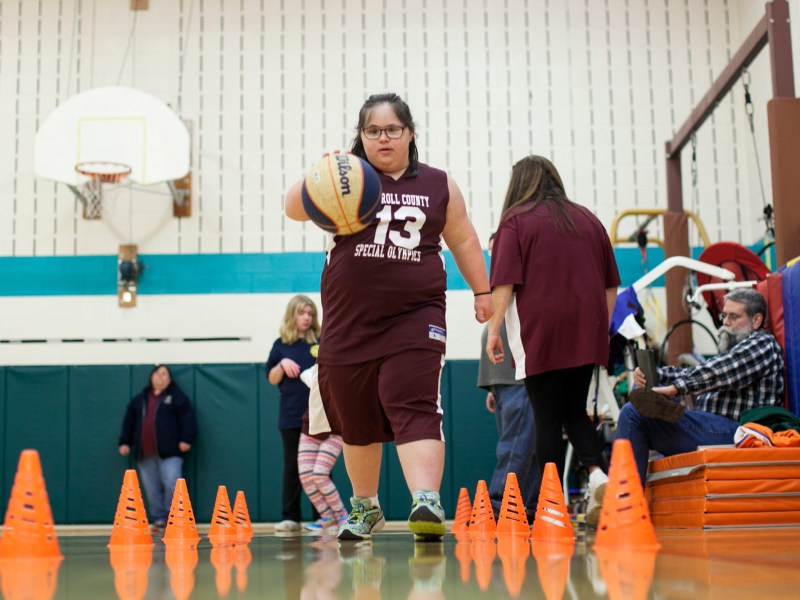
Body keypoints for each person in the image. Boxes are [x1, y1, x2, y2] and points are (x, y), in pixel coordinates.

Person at [285, 92, 492, 541]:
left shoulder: (438, 184)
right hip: (346, 321)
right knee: (355, 415)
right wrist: (317, 173)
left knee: (412, 398)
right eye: (373, 130)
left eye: (392, 129)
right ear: (361, 136)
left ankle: (426, 501)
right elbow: (292, 208)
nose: (383, 138)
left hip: (414, 315)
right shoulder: (346, 179)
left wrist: (483, 290)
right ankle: (365, 507)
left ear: (410, 133)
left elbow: (464, 238)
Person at [486, 155, 619, 526]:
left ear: (519, 184)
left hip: (540, 328)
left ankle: (551, 505)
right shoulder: (589, 218)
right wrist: (599, 329)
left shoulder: (515, 221)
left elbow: (505, 284)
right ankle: (598, 476)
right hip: (587, 328)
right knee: (575, 411)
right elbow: (611, 284)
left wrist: (494, 328)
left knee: (545, 417)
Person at [617, 288, 785, 486]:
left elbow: (720, 371)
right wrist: (656, 375)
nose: (725, 322)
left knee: (633, 414)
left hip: (740, 432)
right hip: (715, 425)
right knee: (636, 414)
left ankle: (624, 501)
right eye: (724, 315)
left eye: (734, 316)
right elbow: (704, 369)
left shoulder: (762, 343)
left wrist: (675, 388)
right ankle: (627, 494)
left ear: (756, 320)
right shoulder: (734, 348)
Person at [477, 232, 540, 520]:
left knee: (515, 445)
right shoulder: (497, 286)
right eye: (492, 251)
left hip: (520, 377)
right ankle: (525, 506)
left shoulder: (524, 283)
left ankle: (498, 502)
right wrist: (492, 385)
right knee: (522, 445)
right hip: (501, 379)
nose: (495, 256)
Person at [266, 294, 322, 533]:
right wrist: (281, 364)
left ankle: (322, 517)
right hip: (290, 415)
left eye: (310, 314)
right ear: (293, 315)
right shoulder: (281, 345)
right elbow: (271, 378)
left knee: (319, 468)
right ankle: (290, 517)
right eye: (302, 313)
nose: (306, 318)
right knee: (293, 466)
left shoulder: (320, 341)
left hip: (318, 415)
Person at [119, 364, 197, 529]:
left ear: (169, 379)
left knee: (172, 482)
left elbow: (188, 419)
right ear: (151, 376)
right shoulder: (140, 400)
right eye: (158, 374)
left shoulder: (177, 397)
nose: (160, 378)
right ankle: (159, 519)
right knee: (151, 487)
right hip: (145, 453)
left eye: (164, 375)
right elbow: (129, 422)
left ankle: (174, 517)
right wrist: (124, 442)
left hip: (171, 452)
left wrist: (186, 440)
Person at [298, 406, 349, 531]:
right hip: (311, 429)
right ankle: (327, 516)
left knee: (320, 475)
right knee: (306, 476)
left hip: (335, 431)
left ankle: (342, 515)